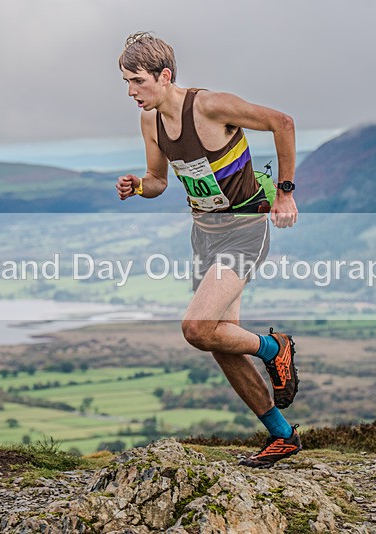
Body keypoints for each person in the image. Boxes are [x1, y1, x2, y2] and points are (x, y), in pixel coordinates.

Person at [116, 32, 301, 468]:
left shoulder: (211, 106)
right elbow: (158, 179)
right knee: (221, 342)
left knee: (197, 328)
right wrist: (139, 186)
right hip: (204, 234)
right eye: (125, 82)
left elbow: (283, 122)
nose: (130, 92)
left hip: (244, 229)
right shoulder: (150, 121)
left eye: (137, 81)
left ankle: (276, 348)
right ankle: (283, 436)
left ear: (164, 76)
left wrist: (285, 193)